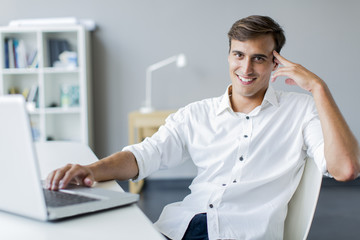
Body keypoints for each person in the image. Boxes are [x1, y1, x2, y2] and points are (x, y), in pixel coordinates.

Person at [46, 15, 360, 240]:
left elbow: (345, 169)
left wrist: (319, 87)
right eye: (238, 54)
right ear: (229, 56)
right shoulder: (197, 114)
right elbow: (144, 155)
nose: (246, 68)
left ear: (275, 64)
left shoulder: (301, 110)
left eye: (259, 58)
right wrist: (89, 170)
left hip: (243, 233)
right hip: (177, 227)